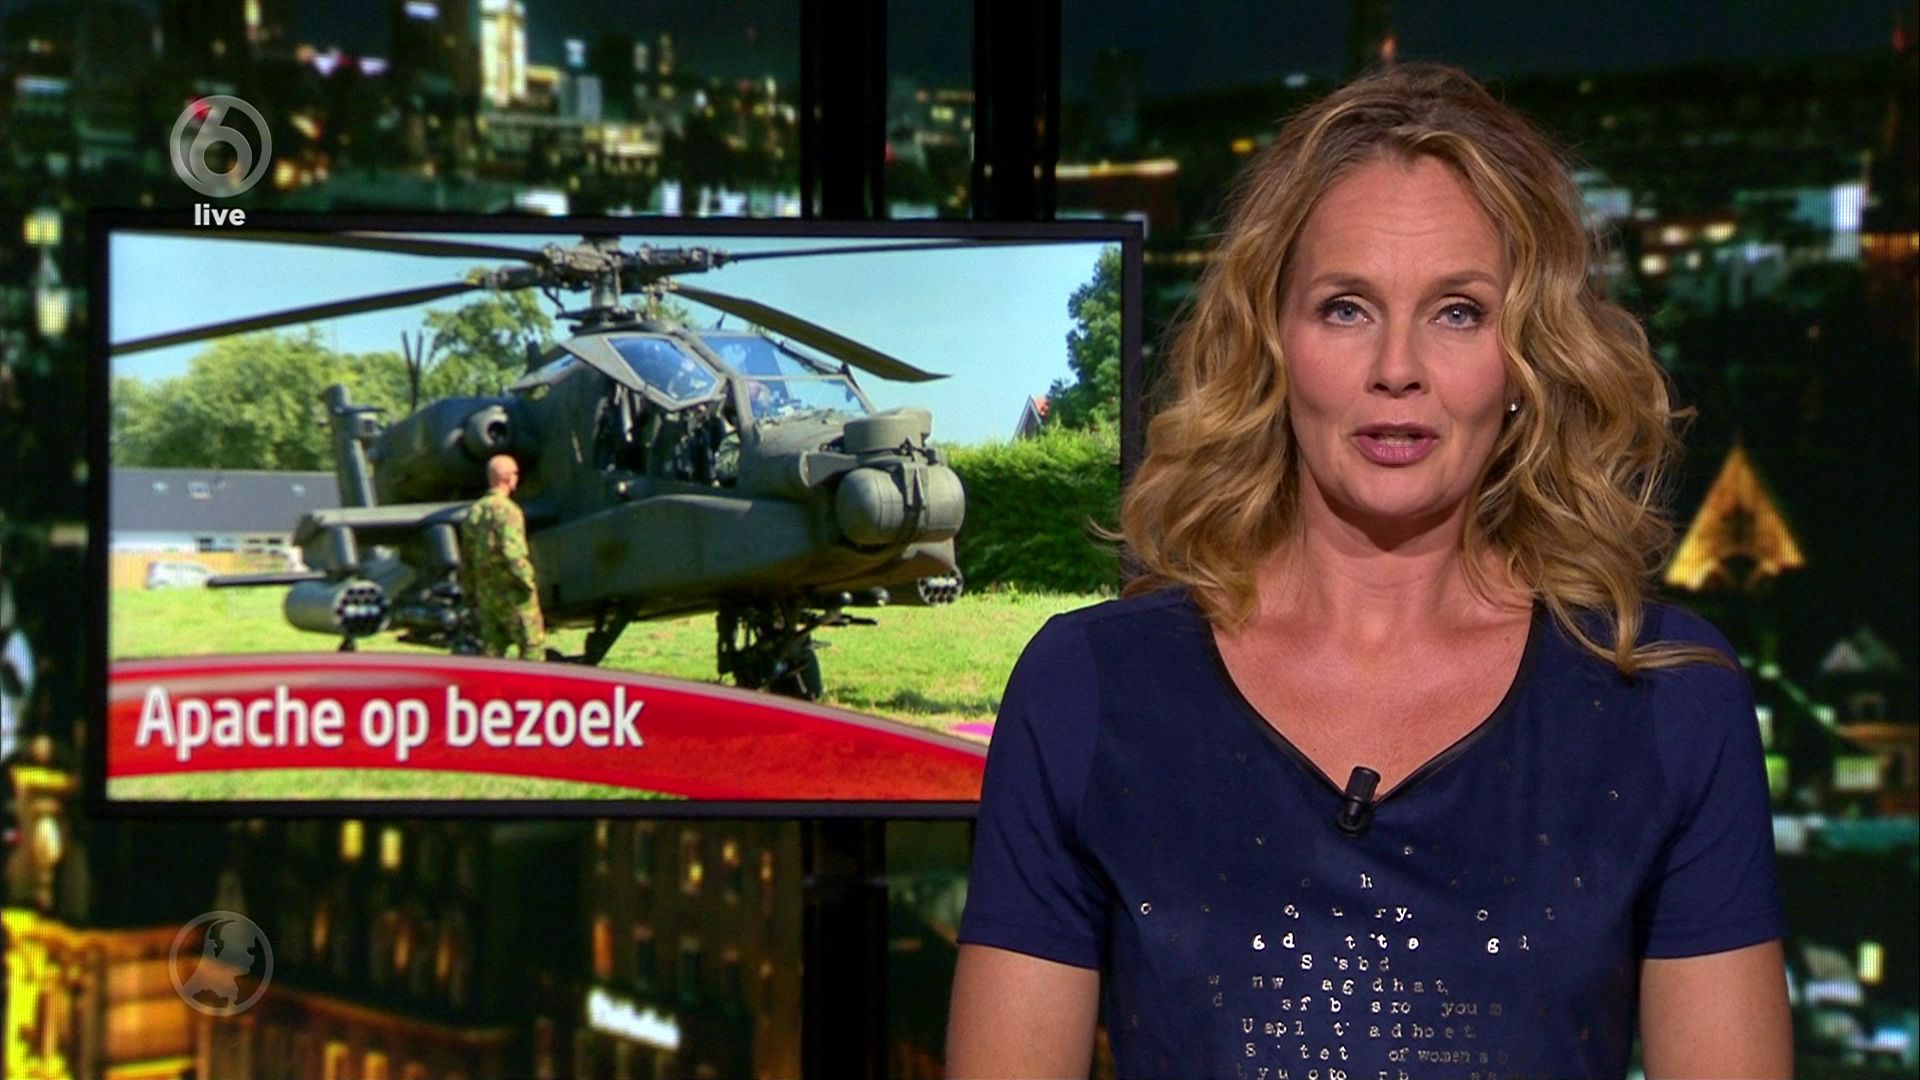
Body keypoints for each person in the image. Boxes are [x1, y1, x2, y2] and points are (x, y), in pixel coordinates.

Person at [947, 64, 1790, 1080]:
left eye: (1458, 312)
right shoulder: (1087, 689)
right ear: (1273, 342)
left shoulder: (1664, 700)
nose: (1398, 368)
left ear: (1528, 358)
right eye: (1346, 308)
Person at [460, 454, 546, 660]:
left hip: (487, 595)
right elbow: (512, 552)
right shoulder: (509, 510)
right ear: (507, 477)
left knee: (492, 652)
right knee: (532, 647)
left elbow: (468, 557)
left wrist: (471, 591)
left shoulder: (475, 511)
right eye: (515, 473)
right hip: (513, 593)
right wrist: (527, 581)